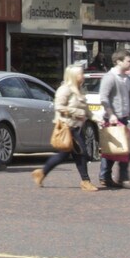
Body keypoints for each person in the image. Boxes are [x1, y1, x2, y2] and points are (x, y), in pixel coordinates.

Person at [34, 63, 97, 191]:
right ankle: (85, 181)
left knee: (64, 155)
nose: (83, 76)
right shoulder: (65, 89)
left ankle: (41, 173)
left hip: (77, 127)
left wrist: (96, 118)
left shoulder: (79, 89)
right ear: (73, 75)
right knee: (82, 152)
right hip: (68, 127)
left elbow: (86, 109)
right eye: (80, 73)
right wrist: (76, 113)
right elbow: (59, 107)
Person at [96, 50, 130, 189]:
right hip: (113, 120)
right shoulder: (110, 77)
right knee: (121, 149)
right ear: (118, 61)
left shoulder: (127, 78)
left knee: (119, 149)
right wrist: (111, 114)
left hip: (123, 118)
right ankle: (116, 176)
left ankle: (109, 176)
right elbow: (103, 98)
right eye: (128, 60)